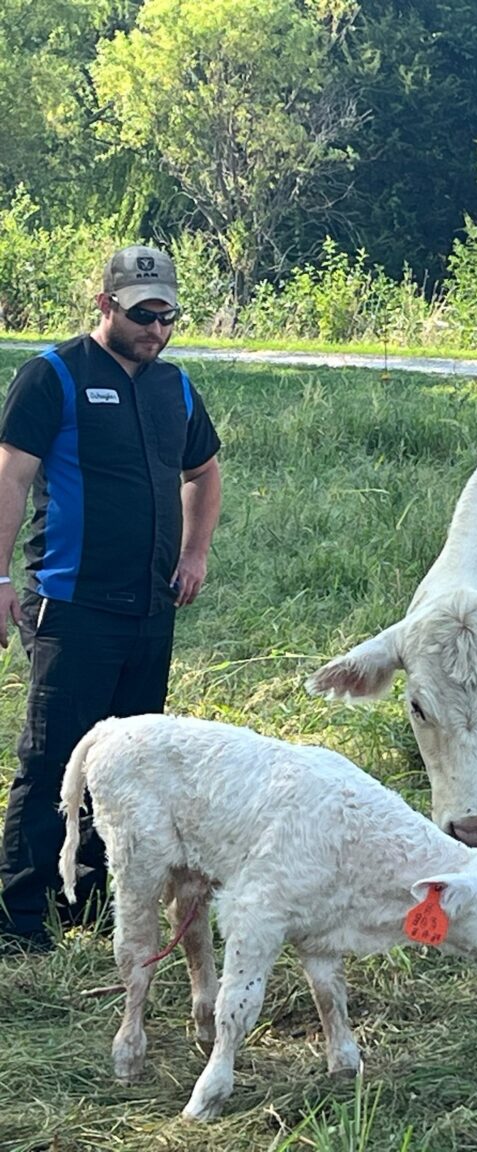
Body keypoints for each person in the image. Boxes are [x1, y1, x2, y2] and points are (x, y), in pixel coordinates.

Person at [0, 245, 222, 953]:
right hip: (72, 605)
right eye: (143, 314)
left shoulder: (176, 389)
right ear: (106, 306)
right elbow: (9, 478)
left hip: (150, 611)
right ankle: (18, 911)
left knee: (125, 764)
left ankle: (88, 895)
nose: (156, 329)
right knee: (53, 758)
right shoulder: (54, 376)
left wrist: (194, 553)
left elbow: (204, 471)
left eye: (168, 316)